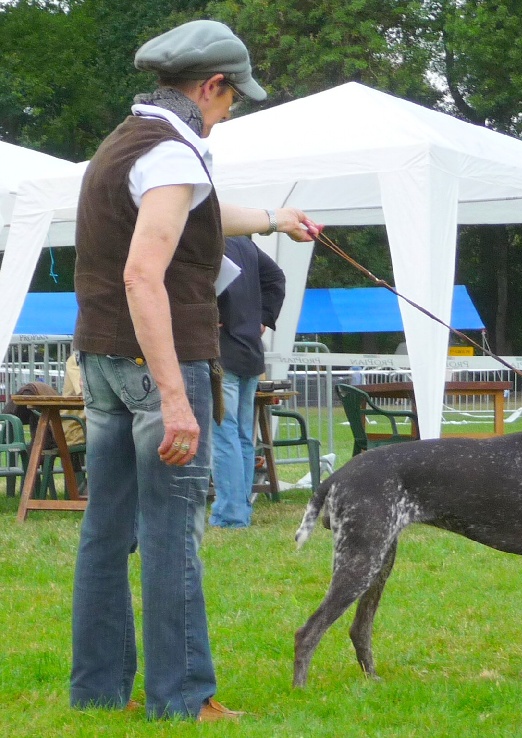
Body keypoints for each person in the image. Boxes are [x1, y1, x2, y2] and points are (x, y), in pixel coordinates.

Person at [69, 20, 321, 721]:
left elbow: (195, 218)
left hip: (103, 363)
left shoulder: (124, 144)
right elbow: (143, 276)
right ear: (211, 85)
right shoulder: (175, 155)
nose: (232, 108)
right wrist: (177, 399)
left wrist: (274, 219)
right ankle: (182, 699)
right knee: (173, 535)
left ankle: (95, 693)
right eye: (233, 95)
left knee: (106, 531)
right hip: (160, 366)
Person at [210, 236, 286, 528]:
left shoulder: (206, 240)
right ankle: (238, 509)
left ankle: (231, 513)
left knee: (225, 434)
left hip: (222, 353)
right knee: (241, 435)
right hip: (249, 351)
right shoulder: (245, 244)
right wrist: (263, 317)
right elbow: (276, 277)